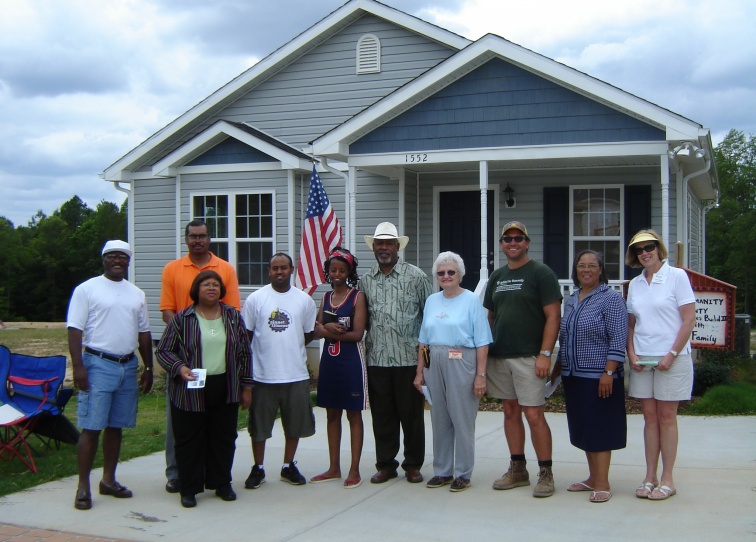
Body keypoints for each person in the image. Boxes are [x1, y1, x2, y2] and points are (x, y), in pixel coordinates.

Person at [67, 240, 153, 511]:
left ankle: (108, 480)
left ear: (128, 261)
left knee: (116, 427)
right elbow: (74, 329)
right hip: (97, 363)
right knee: (92, 426)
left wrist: (148, 368)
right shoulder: (87, 289)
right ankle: (83, 485)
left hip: (127, 366)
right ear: (103, 259)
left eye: (123, 257)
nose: (118, 261)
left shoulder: (136, 293)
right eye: (112, 256)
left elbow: (143, 333)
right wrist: (78, 366)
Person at [155, 271, 253, 508]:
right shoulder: (182, 318)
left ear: (222, 290)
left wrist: (247, 386)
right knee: (189, 439)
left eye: (216, 285)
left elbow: (244, 352)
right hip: (190, 388)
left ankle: (221, 483)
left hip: (225, 385)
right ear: (196, 290)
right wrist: (179, 368)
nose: (211, 288)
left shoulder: (232, 316)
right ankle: (189, 488)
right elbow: (164, 351)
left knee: (224, 437)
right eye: (206, 284)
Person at [159, 219, 241, 494]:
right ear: (186, 239)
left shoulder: (225, 269)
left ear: (209, 239)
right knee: (184, 431)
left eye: (202, 236)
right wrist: (184, 339)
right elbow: (167, 310)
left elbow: (234, 316)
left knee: (221, 432)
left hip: (221, 375)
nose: (198, 240)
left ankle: (217, 480)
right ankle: (179, 477)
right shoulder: (172, 269)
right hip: (187, 370)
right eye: (193, 236)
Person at [483, 220, 562, 498]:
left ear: (527, 243)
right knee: (510, 412)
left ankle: (546, 471)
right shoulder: (497, 276)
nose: (513, 243)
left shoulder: (541, 273)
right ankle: (518, 469)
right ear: (502, 245)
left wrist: (545, 354)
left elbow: (554, 315)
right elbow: (489, 317)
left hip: (531, 357)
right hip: (500, 356)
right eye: (507, 239)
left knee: (534, 414)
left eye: (518, 238)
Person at [359, 222, 432, 484]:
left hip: (409, 361)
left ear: (398, 247)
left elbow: (430, 321)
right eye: (379, 243)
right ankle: (386, 464)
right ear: (374, 248)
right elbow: (362, 321)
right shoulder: (365, 281)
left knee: (412, 417)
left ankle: (413, 464)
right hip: (377, 360)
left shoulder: (417, 277)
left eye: (389, 243)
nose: (384, 248)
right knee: (383, 416)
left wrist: (426, 365)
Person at [626, 229, 695, 501]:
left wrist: (672, 354)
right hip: (643, 360)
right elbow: (631, 324)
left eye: (649, 247)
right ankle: (650, 476)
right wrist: (631, 354)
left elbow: (688, 320)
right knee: (649, 418)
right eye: (639, 249)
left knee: (667, 418)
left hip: (672, 359)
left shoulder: (677, 277)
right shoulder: (635, 284)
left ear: (659, 248)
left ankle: (668, 479)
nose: (645, 253)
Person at [413, 252, 492, 492]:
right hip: (433, 360)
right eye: (441, 273)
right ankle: (443, 470)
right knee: (439, 418)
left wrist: (480, 375)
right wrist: (419, 373)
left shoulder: (470, 301)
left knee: (462, 418)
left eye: (451, 272)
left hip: (461, 360)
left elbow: (482, 341)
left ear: (460, 275)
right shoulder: (432, 301)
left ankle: (463, 473)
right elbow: (424, 340)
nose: (446, 276)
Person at [556, 250, 628, 503]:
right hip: (573, 375)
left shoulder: (611, 299)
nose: (586, 270)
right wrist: (557, 369)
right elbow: (564, 338)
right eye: (581, 266)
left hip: (599, 376)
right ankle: (592, 478)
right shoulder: (573, 299)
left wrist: (609, 372)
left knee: (600, 428)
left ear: (600, 270)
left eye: (591, 266)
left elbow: (618, 338)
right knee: (584, 427)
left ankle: (603, 482)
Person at [242, 253, 317, 489]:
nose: (279, 272)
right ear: (268, 271)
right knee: (259, 426)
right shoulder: (256, 299)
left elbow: (307, 334)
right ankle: (259, 467)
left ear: (291, 270)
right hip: (263, 375)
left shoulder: (304, 301)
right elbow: (248, 336)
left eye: (284, 268)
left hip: (294, 374)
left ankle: (288, 465)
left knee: (294, 424)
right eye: (275, 268)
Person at [309, 248, 368, 488]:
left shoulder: (357, 297)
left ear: (349, 272)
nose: (337, 274)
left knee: (353, 414)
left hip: (351, 361)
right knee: (332, 413)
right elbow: (316, 328)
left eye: (342, 270)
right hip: (330, 362)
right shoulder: (324, 298)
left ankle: (354, 469)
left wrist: (327, 330)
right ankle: (334, 467)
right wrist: (325, 330)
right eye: (333, 270)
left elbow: (357, 334)